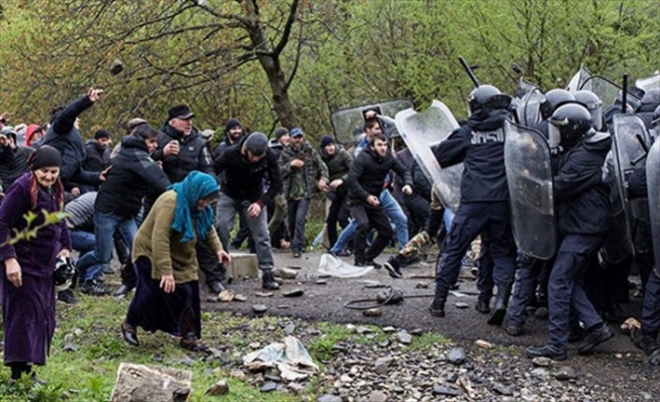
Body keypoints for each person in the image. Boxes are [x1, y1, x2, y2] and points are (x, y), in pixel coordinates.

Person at [525, 103, 614, 361]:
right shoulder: (580, 148)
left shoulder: (586, 156)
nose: (555, 134)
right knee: (568, 279)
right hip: (581, 224)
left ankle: (557, 344)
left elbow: (560, 186)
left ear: (572, 129)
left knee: (558, 280)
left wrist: (530, 186)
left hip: (585, 228)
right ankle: (596, 327)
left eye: (558, 129)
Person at [428, 85, 517, 325]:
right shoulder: (511, 129)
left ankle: (438, 303)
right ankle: (498, 301)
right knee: (501, 252)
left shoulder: (467, 132)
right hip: (501, 201)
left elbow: (439, 156)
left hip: (473, 202)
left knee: (454, 249)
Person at [121, 171, 230, 351]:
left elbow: (207, 227)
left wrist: (218, 249)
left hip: (181, 252)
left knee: (188, 293)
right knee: (151, 291)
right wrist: (166, 272)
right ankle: (130, 323)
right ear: (196, 192)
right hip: (150, 251)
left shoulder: (199, 206)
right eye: (204, 200)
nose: (205, 204)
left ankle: (189, 336)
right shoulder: (170, 202)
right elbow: (159, 238)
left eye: (209, 201)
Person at [0, 145, 71, 384]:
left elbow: (60, 222)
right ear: (34, 169)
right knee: (22, 318)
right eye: (45, 172)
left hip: (45, 267)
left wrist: (65, 248)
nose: (49, 176)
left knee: (42, 317)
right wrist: (9, 259)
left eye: (54, 171)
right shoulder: (21, 188)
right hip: (22, 264)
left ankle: (30, 371)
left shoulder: (55, 190)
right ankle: (18, 375)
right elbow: (2, 224)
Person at [76, 124, 171, 295]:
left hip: (127, 212)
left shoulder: (138, 156)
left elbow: (149, 182)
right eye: (152, 142)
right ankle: (75, 268)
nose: (155, 146)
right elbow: (160, 181)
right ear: (142, 141)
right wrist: (177, 193)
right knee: (102, 256)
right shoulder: (135, 156)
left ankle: (140, 285)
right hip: (107, 211)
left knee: (138, 249)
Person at [152, 105, 224, 295]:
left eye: (191, 119)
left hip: (194, 200)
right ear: (172, 121)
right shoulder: (159, 139)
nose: (189, 122)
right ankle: (139, 280)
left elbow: (209, 168)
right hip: (165, 199)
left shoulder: (199, 142)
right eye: (185, 119)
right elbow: (145, 163)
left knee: (202, 235)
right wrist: (162, 153)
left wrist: (210, 189)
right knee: (156, 239)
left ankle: (214, 279)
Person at [214, 132, 282, 290]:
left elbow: (277, 184)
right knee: (222, 227)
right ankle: (219, 269)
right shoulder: (231, 153)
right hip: (229, 194)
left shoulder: (269, 156)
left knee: (262, 235)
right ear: (246, 150)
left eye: (260, 157)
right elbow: (213, 169)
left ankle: (267, 273)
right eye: (253, 156)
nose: (256, 160)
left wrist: (260, 203)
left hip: (253, 197)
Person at [346, 132, 412, 268]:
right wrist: (366, 196)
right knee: (363, 224)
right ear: (372, 146)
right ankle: (359, 260)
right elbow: (352, 180)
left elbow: (404, 171)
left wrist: (407, 184)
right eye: (379, 145)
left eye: (385, 145)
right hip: (358, 198)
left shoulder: (388, 158)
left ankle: (369, 257)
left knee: (387, 231)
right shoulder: (363, 159)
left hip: (375, 199)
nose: (383, 148)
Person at [278, 127, 329, 257]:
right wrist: (291, 165)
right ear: (290, 138)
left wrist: (323, 179)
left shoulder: (310, 151)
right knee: (291, 222)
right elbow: (278, 172)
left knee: (300, 220)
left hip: (305, 192)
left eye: (300, 137)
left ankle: (297, 248)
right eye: (295, 137)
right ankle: (296, 242)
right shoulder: (285, 153)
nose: (298, 140)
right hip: (290, 193)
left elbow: (322, 167)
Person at [318, 135, 352, 248]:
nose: (331, 147)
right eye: (328, 145)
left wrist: (342, 180)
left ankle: (352, 245)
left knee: (342, 218)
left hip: (348, 190)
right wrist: (321, 184)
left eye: (332, 144)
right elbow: (316, 175)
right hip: (334, 193)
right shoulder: (321, 159)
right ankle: (334, 246)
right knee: (330, 220)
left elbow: (354, 170)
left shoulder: (343, 154)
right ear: (323, 148)